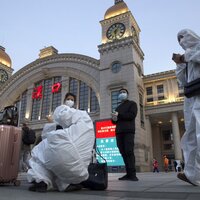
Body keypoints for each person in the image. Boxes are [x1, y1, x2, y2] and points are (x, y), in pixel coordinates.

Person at [27, 92, 95, 192]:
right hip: (79, 170)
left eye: (72, 99)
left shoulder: (67, 111)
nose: (70, 101)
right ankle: (65, 184)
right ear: (65, 100)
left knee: (39, 153)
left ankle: (41, 181)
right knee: (57, 161)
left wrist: (52, 122)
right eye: (69, 99)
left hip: (62, 154)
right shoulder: (83, 119)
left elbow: (59, 120)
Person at [172, 29, 200, 186]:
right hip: (191, 98)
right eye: (178, 39)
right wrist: (180, 64)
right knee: (190, 137)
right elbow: (182, 81)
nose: (181, 41)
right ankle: (192, 174)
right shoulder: (187, 56)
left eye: (183, 37)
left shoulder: (197, 49)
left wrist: (185, 57)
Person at [111, 88, 138, 181]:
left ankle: (133, 174)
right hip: (119, 132)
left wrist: (119, 115)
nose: (122, 94)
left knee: (129, 151)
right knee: (122, 152)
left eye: (124, 92)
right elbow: (115, 121)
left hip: (128, 131)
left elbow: (131, 115)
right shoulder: (117, 107)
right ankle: (128, 173)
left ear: (127, 94)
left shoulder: (132, 104)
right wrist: (114, 119)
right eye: (120, 92)